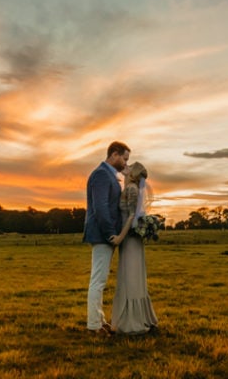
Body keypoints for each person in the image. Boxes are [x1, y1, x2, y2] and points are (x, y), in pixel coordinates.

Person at [83, 141, 130, 335]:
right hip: (103, 234)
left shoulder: (109, 175)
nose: (125, 163)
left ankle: (99, 320)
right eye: (124, 158)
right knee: (98, 280)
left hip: (104, 234)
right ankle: (94, 325)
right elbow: (100, 207)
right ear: (114, 154)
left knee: (100, 279)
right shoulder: (102, 174)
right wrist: (111, 232)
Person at [111, 161, 159, 334]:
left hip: (129, 239)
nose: (126, 167)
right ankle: (138, 316)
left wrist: (119, 238)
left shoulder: (131, 189)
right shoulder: (130, 187)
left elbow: (131, 216)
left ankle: (132, 320)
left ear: (133, 174)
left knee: (130, 276)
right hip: (131, 240)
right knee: (131, 276)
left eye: (130, 167)